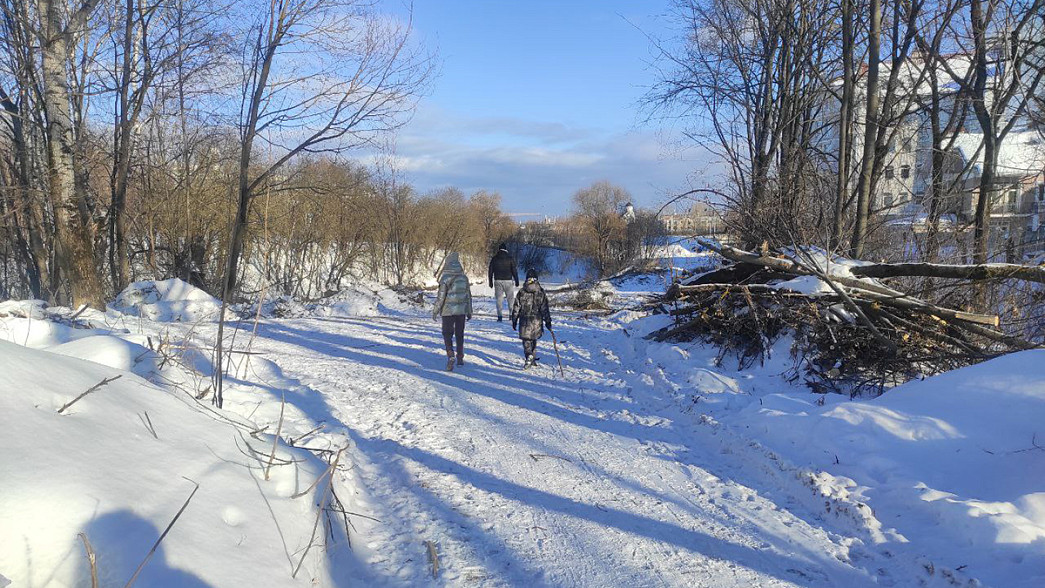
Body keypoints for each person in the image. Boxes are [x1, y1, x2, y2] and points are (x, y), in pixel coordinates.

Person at [432, 252, 473, 371]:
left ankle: (450, 354)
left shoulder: (445, 278)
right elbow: (468, 296)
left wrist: (435, 310)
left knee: (447, 333)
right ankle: (460, 357)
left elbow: (441, 297)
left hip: (448, 311)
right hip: (461, 311)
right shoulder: (464, 278)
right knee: (460, 334)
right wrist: (469, 311)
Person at [510, 269, 552, 369]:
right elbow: (544, 308)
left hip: (525, 320)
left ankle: (529, 355)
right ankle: (532, 358)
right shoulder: (540, 292)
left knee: (526, 340)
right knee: (534, 338)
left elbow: (516, 307)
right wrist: (548, 321)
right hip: (537, 320)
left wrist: (514, 319)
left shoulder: (522, 292)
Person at [488, 243, 519, 322]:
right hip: (508, 281)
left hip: (498, 281)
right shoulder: (510, 258)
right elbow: (514, 270)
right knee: (510, 299)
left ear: (499, 249)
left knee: (499, 299)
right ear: (506, 249)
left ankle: (500, 316)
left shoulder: (494, 259)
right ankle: (511, 315)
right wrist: (516, 280)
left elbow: (490, 271)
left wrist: (490, 281)